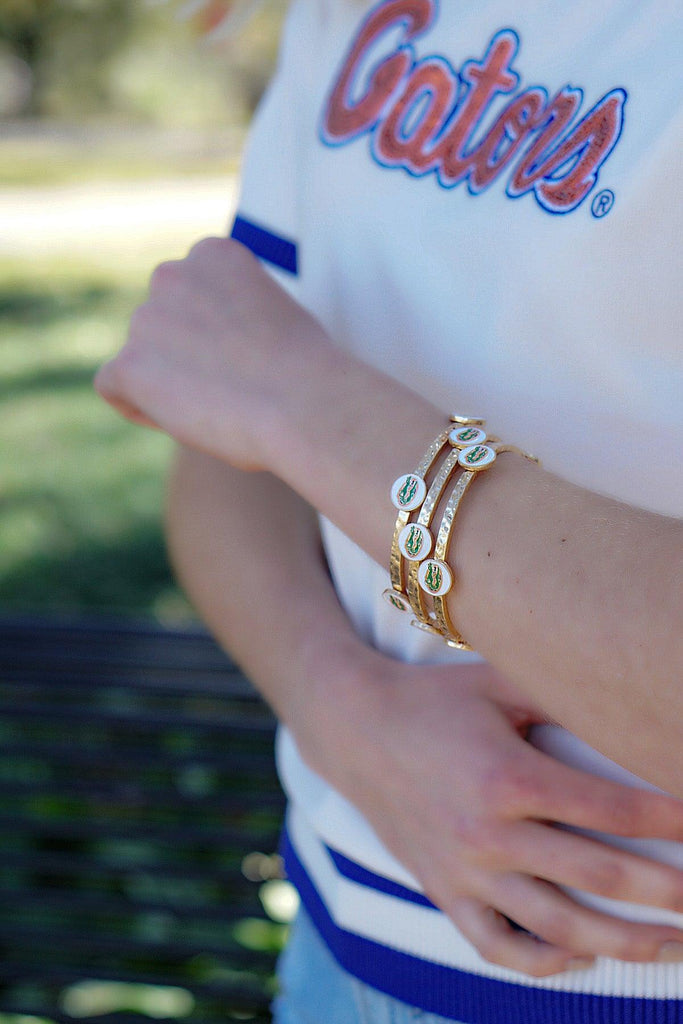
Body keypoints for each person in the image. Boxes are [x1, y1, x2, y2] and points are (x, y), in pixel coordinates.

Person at [95, 0, 683, 1020]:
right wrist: (337, 707)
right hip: (338, 946)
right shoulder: (351, 14)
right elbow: (227, 461)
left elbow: (263, 394)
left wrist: (306, 405)